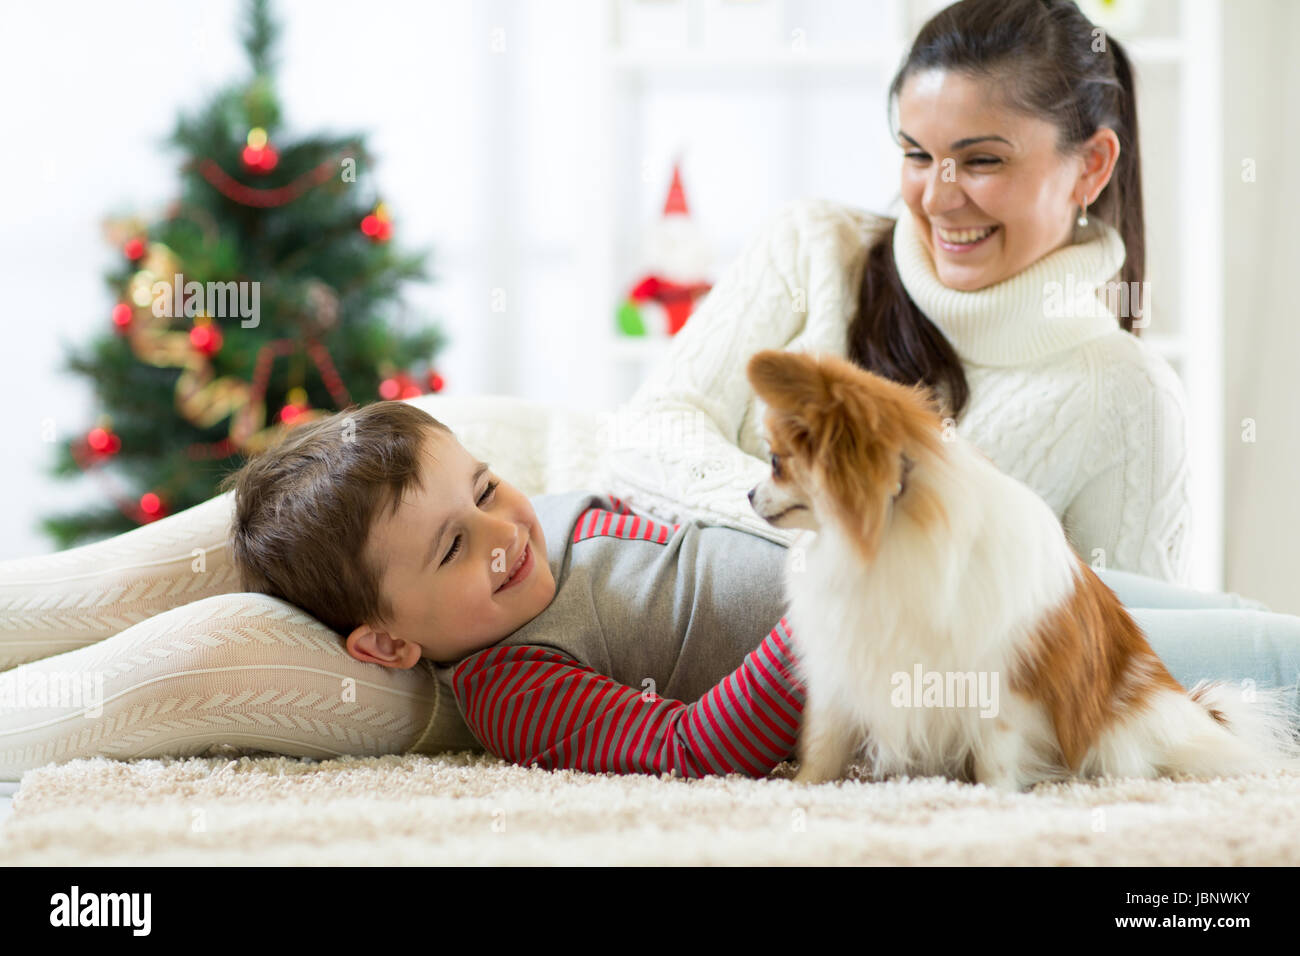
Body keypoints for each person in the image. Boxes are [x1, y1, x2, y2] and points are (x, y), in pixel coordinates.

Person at [606, 0, 1189, 588]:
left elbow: (1127, 645)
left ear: (1092, 165)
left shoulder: (1128, 395)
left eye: (982, 160)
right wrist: (824, 516)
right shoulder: (811, 250)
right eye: (917, 154)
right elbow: (642, 439)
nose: (936, 199)